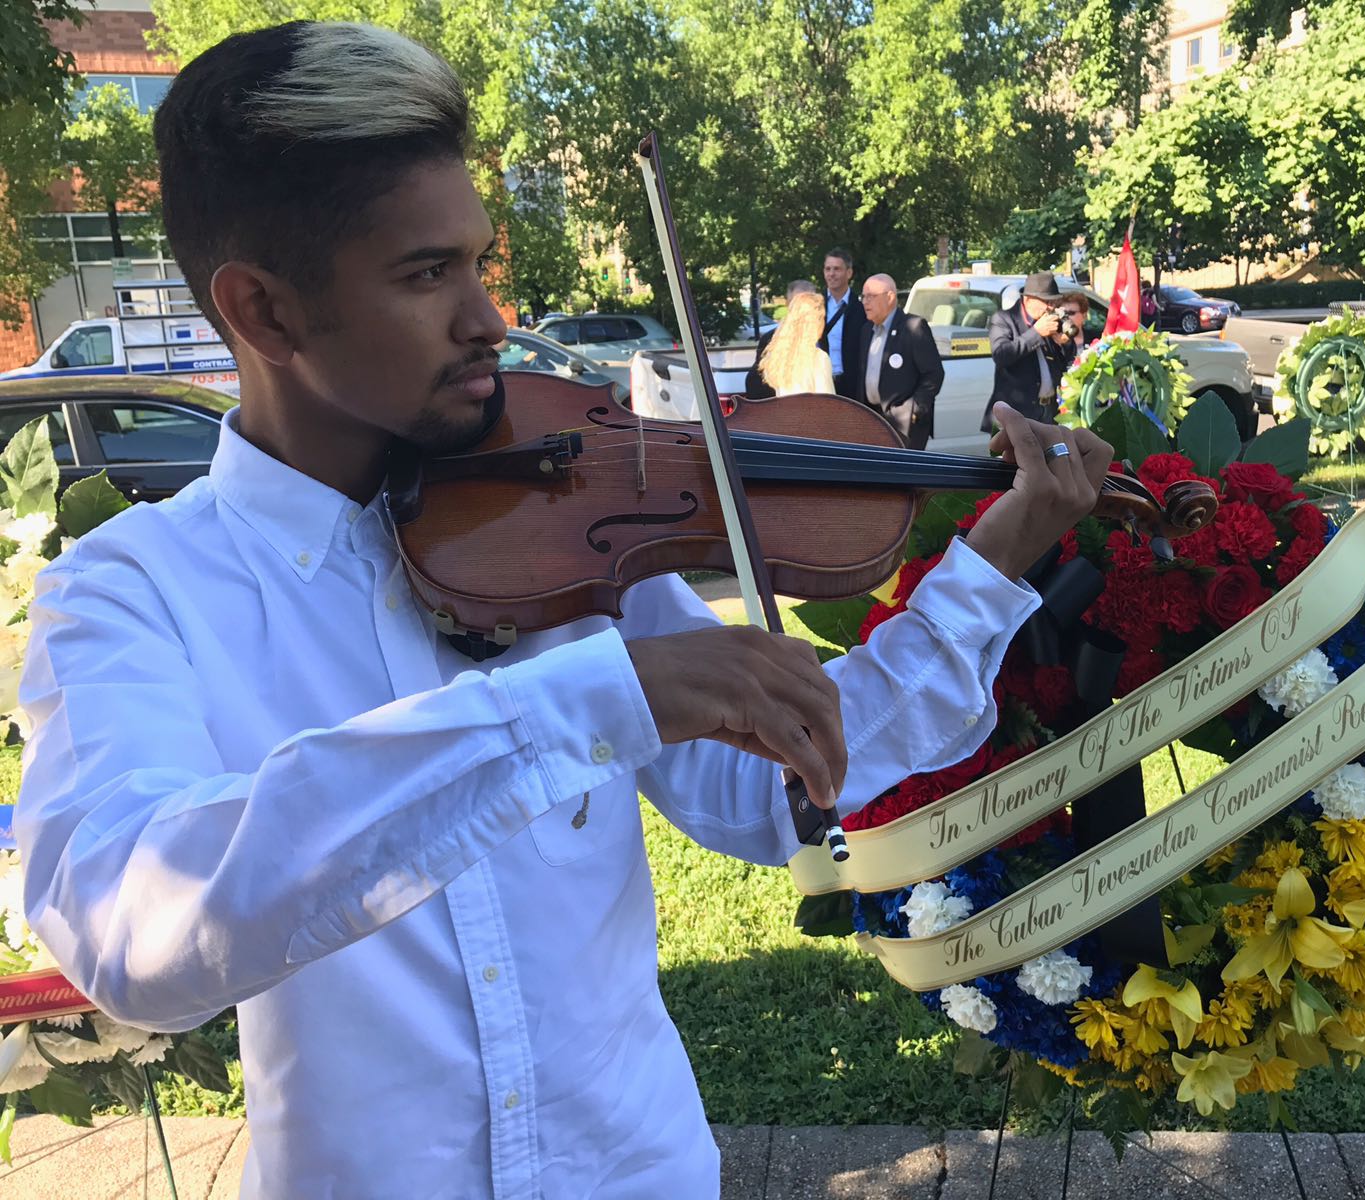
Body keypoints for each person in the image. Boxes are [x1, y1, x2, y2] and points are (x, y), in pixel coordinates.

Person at [14, 22, 1112, 1200]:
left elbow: (764, 784)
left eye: (476, 264)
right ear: (266, 315)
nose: (488, 318)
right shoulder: (133, 591)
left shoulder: (566, 531)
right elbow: (132, 928)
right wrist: (573, 707)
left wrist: (997, 557)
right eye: (427, 274)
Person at [983, 271, 1082, 430]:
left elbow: (1066, 363)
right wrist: (1036, 333)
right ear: (1027, 299)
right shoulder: (1004, 319)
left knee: (1049, 455)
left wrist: (1064, 343)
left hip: (1049, 410)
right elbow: (1001, 355)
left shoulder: (1050, 319)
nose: (1051, 307)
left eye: (1053, 302)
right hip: (1016, 412)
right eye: (1046, 302)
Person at [857, 273, 944, 450]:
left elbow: (934, 373)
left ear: (890, 297)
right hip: (873, 418)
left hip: (905, 424)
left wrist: (914, 409)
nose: (865, 302)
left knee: (904, 475)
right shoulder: (867, 330)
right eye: (863, 296)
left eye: (871, 296)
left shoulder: (913, 327)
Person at [742, 278, 818, 399]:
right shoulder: (770, 340)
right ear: (788, 304)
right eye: (796, 303)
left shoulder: (823, 337)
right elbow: (754, 384)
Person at [757, 290, 834, 396]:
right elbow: (828, 404)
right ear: (817, 321)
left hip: (785, 412)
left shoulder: (778, 356)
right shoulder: (819, 358)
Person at [822, 247, 868, 400]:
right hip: (821, 383)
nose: (831, 274)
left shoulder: (862, 308)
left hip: (851, 385)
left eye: (837, 269)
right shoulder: (815, 306)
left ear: (849, 273)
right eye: (828, 269)